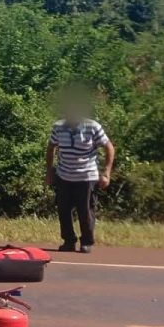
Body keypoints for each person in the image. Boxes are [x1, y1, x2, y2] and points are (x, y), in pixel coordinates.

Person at [45, 96, 115, 253]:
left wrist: (106, 172)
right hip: (64, 175)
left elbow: (109, 147)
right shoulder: (58, 127)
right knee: (63, 209)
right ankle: (69, 241)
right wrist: (49, 172)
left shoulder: (92, 127)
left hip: (86, 176)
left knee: (85, 210)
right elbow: (51, 148)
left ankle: (86, 242)